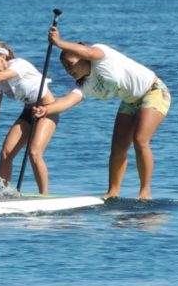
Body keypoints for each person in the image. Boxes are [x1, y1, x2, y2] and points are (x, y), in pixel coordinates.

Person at [33, 26, 171, 200]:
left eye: (70, 64)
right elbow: (67, 101)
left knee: (140, 139)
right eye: (64, 67)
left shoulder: (101, 54)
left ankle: (145, 192)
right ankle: (113, 192)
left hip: (154, 91)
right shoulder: (86, 84)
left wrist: (59, 43)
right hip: (130, 100)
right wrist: (46, 109)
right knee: (118, 147)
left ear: (83, 58)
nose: (68, 70)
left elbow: (89, 52)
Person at [0, 41, 59, 194]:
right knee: (5, 153)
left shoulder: (18, 64)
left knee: (34, 152)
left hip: (48, 110)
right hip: (28, 112)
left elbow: (5, 74)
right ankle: (3, 193)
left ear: (3, 56)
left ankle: (44, 195)